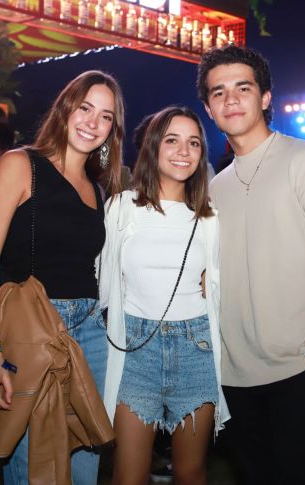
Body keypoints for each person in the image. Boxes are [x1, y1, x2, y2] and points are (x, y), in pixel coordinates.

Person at [197, 44, 305, 485]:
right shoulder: (215, 187)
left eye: (242, 88)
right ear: (209, 109)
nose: (230, 99)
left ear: (266, 98)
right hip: (232, 374)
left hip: (297, 368)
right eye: (218, 92)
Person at [0, 70, 124, 485]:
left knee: (85, 464)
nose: (93, 122)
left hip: (91, 334)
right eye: (85, 108)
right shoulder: (20, 165)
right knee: (34, 468)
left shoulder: (98, 187)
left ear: (113, 129)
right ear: (64, 108)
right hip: (32, 330)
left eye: (106, 116)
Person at [100, 106, 230, 485]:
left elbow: (215, 288)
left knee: (190, 473)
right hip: (133, 351)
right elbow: (102, 287)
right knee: (129, 475)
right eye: (172, 140)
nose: (183, 151)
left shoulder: (209, 219)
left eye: (193, 143)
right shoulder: (120, 208)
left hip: (196, 348)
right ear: (154, 147)